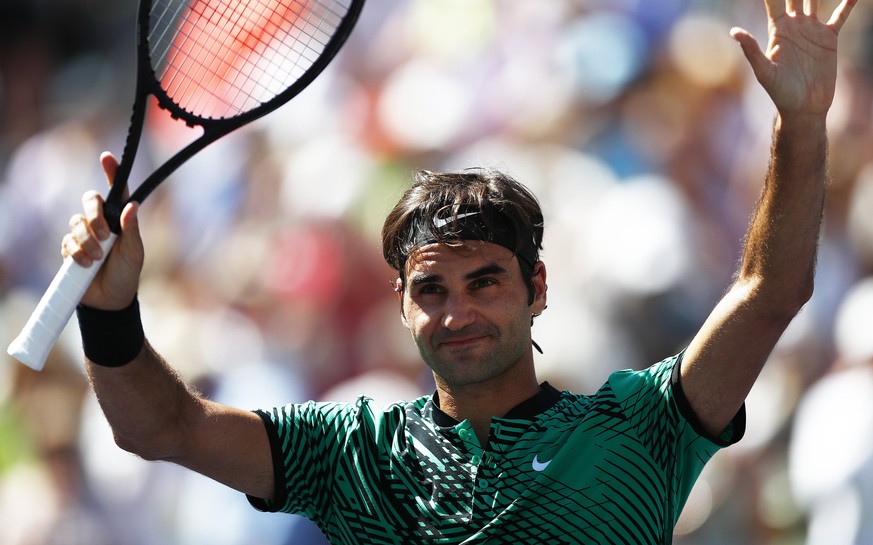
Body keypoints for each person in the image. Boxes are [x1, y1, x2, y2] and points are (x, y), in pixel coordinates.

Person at [60, 0, 858, 542]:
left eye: (485, 282)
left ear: (537, 289)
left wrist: (799, 124)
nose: (457, 312)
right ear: (401, 307)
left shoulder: (639, 428)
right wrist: (110, 310)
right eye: (431, 290)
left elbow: (768, 294)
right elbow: (158, 427)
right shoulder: (353, 452)